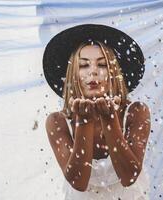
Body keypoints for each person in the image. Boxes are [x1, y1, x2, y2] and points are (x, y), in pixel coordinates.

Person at [42, 24, 151, 199]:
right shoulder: (58, 121)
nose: (93, 71)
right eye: (84, 65)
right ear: (73, 74)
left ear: (114, 71)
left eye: (102, 64)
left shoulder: (136, 111)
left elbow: (129, 176)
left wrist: (110, 120)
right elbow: (79, 182)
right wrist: (84, 122)